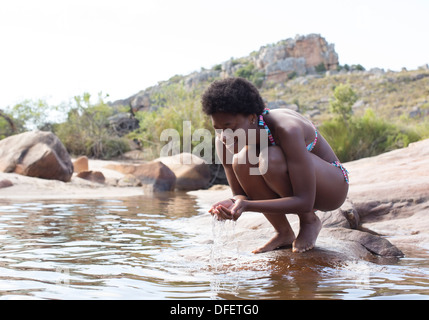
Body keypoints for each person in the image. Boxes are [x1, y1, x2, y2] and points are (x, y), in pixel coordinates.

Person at [201, 77, 349, 253]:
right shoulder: (223, 141)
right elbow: (241, 195)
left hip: (331, 187)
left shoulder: (286, 129)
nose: (224, 136)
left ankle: (309, 221)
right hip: (294, 187)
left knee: (271, 157)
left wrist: (247, 206)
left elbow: (304, 201)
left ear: (251, 118)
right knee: (242, 160)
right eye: (217, 128)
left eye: (230, 127)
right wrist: (233, 203)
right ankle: (283, 232)